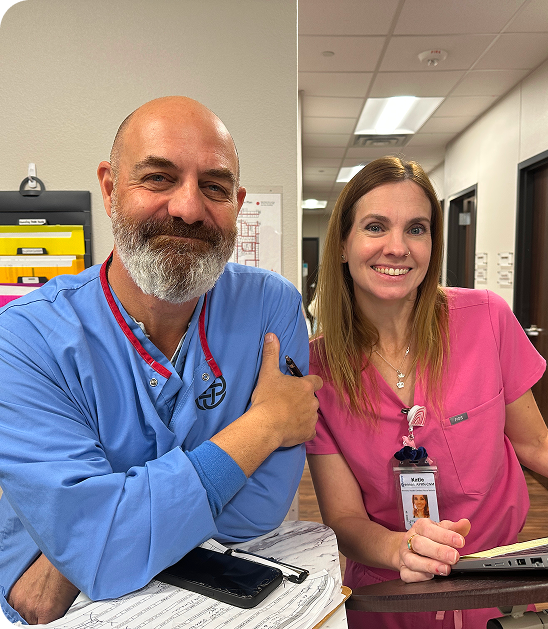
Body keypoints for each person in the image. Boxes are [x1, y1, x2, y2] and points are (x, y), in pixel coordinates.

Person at [0, 96, 322, 625]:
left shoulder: (271, 307)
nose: (188, 208)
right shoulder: (25, 337)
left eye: (214, 187)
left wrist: (98, 531)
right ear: (110, 189)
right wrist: (265, 425)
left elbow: (258, 511)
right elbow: (89, 556)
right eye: (158, 178)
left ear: (238, 203)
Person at [306, 156, 548, 629]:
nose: (397, 247)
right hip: (389, 595)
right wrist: (399, 548)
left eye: (416, 229)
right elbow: (345, 519)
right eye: (375, 227)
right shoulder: (318, 370)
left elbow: (537, 443)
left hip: (499, 587)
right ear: (343, 245)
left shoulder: (485, 319)